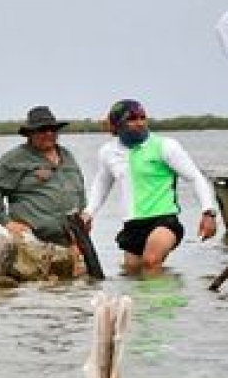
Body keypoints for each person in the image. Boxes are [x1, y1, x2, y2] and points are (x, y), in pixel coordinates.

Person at [83, 99, 217, 275]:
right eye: (132, 119)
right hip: (132, 225)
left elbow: (196, 178)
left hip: (164, 220)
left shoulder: (165, 146)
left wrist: (208, 212)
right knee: (132, 275)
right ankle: (164, 300)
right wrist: (89, 213)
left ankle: (169, 300)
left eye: (142, 117)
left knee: (151, 262)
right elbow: (102, 184)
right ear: (116, 125)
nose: (140, 123)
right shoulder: (108, 152)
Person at [0, 106, 86, 246]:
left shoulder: (67, 155)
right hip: (32, 241)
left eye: (53, 129)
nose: (49, 133)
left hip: (72, 238)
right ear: (30, 133)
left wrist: (84, 214)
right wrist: (7, 222)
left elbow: (79, 188)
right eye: (42, 129)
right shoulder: (16, 158)